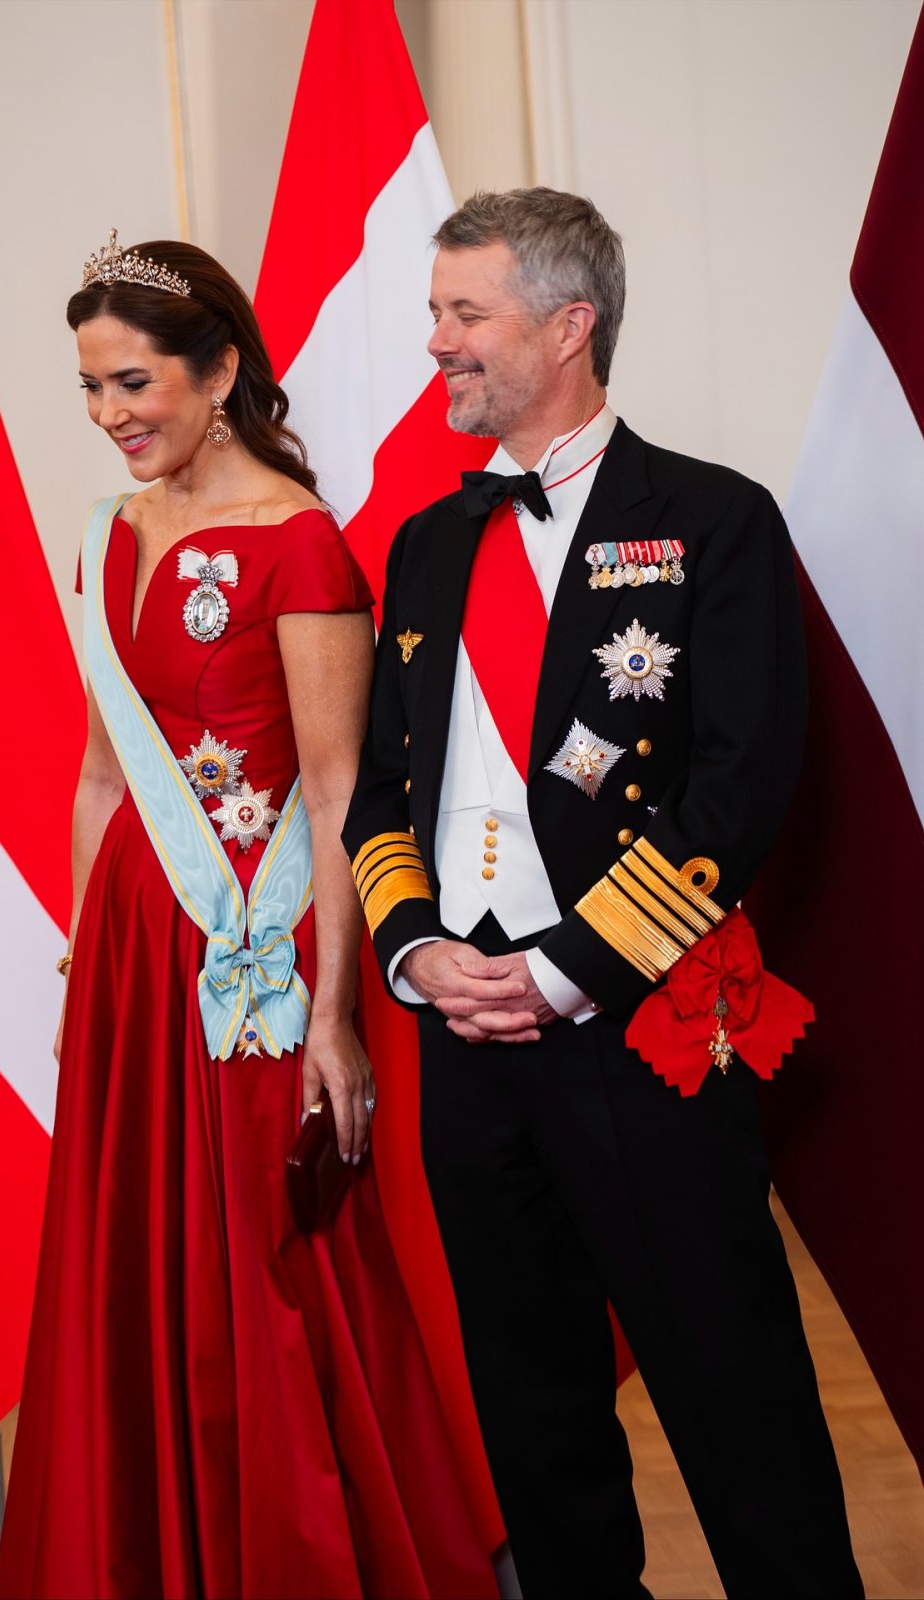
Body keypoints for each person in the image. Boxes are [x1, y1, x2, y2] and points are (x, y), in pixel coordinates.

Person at [343, 187, 864, 1599]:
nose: (435, 341)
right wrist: (413, 950)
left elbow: (743, 786)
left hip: (637, 1033)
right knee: (533, 1408)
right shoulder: (424, 547)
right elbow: (386, 793)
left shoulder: (712, 521)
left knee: (735, 1400)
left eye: (466, 314)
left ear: (567, 326)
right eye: (438, 311)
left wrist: (569, 964)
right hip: (466, 1042)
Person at [0, 234, 497, 1600]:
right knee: (137, 1266)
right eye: (92, 388)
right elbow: (105, 772)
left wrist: (335, 1015)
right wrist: (81, 971)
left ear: (220, 370)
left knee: (276, 1264)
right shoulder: (101, 535)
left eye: (136, 381)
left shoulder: (299, 543)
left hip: (262, 966)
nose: (111, 416)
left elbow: (340, 794)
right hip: (133, 959)